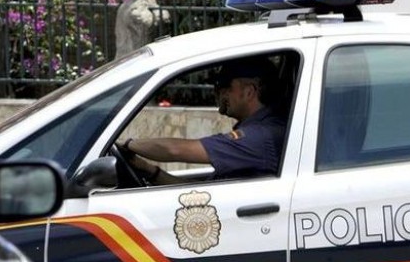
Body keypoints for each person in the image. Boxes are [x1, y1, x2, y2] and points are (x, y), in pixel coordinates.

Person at [119, 56, 286, 184]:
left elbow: (175, 150)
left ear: (249, 91)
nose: (218, 92)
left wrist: (128, 145)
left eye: (224, 85)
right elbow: (199, 197)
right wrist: (149, 171)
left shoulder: (259, 137)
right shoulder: (259, 130)